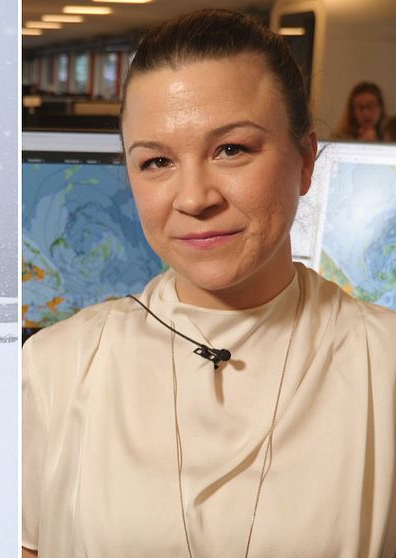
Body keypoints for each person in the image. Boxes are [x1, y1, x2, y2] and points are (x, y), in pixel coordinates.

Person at [22, 9, 396, 558]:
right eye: (156, 161)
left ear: (306, 159)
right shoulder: (54, 367)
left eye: (232, 150)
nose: (194, 198)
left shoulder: (383, 365)